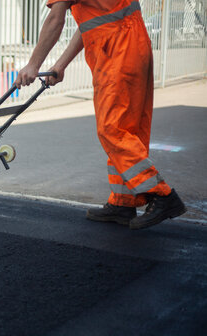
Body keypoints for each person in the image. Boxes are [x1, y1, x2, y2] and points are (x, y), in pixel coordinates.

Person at [14, 0, 186, 229]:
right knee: (127, 129)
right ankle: (124, 203)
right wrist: (60, 64)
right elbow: (89, 23)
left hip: (117, 51)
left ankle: (162, 196)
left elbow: (56, 18)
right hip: (132, 44)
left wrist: (33, 65)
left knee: (112, 130)